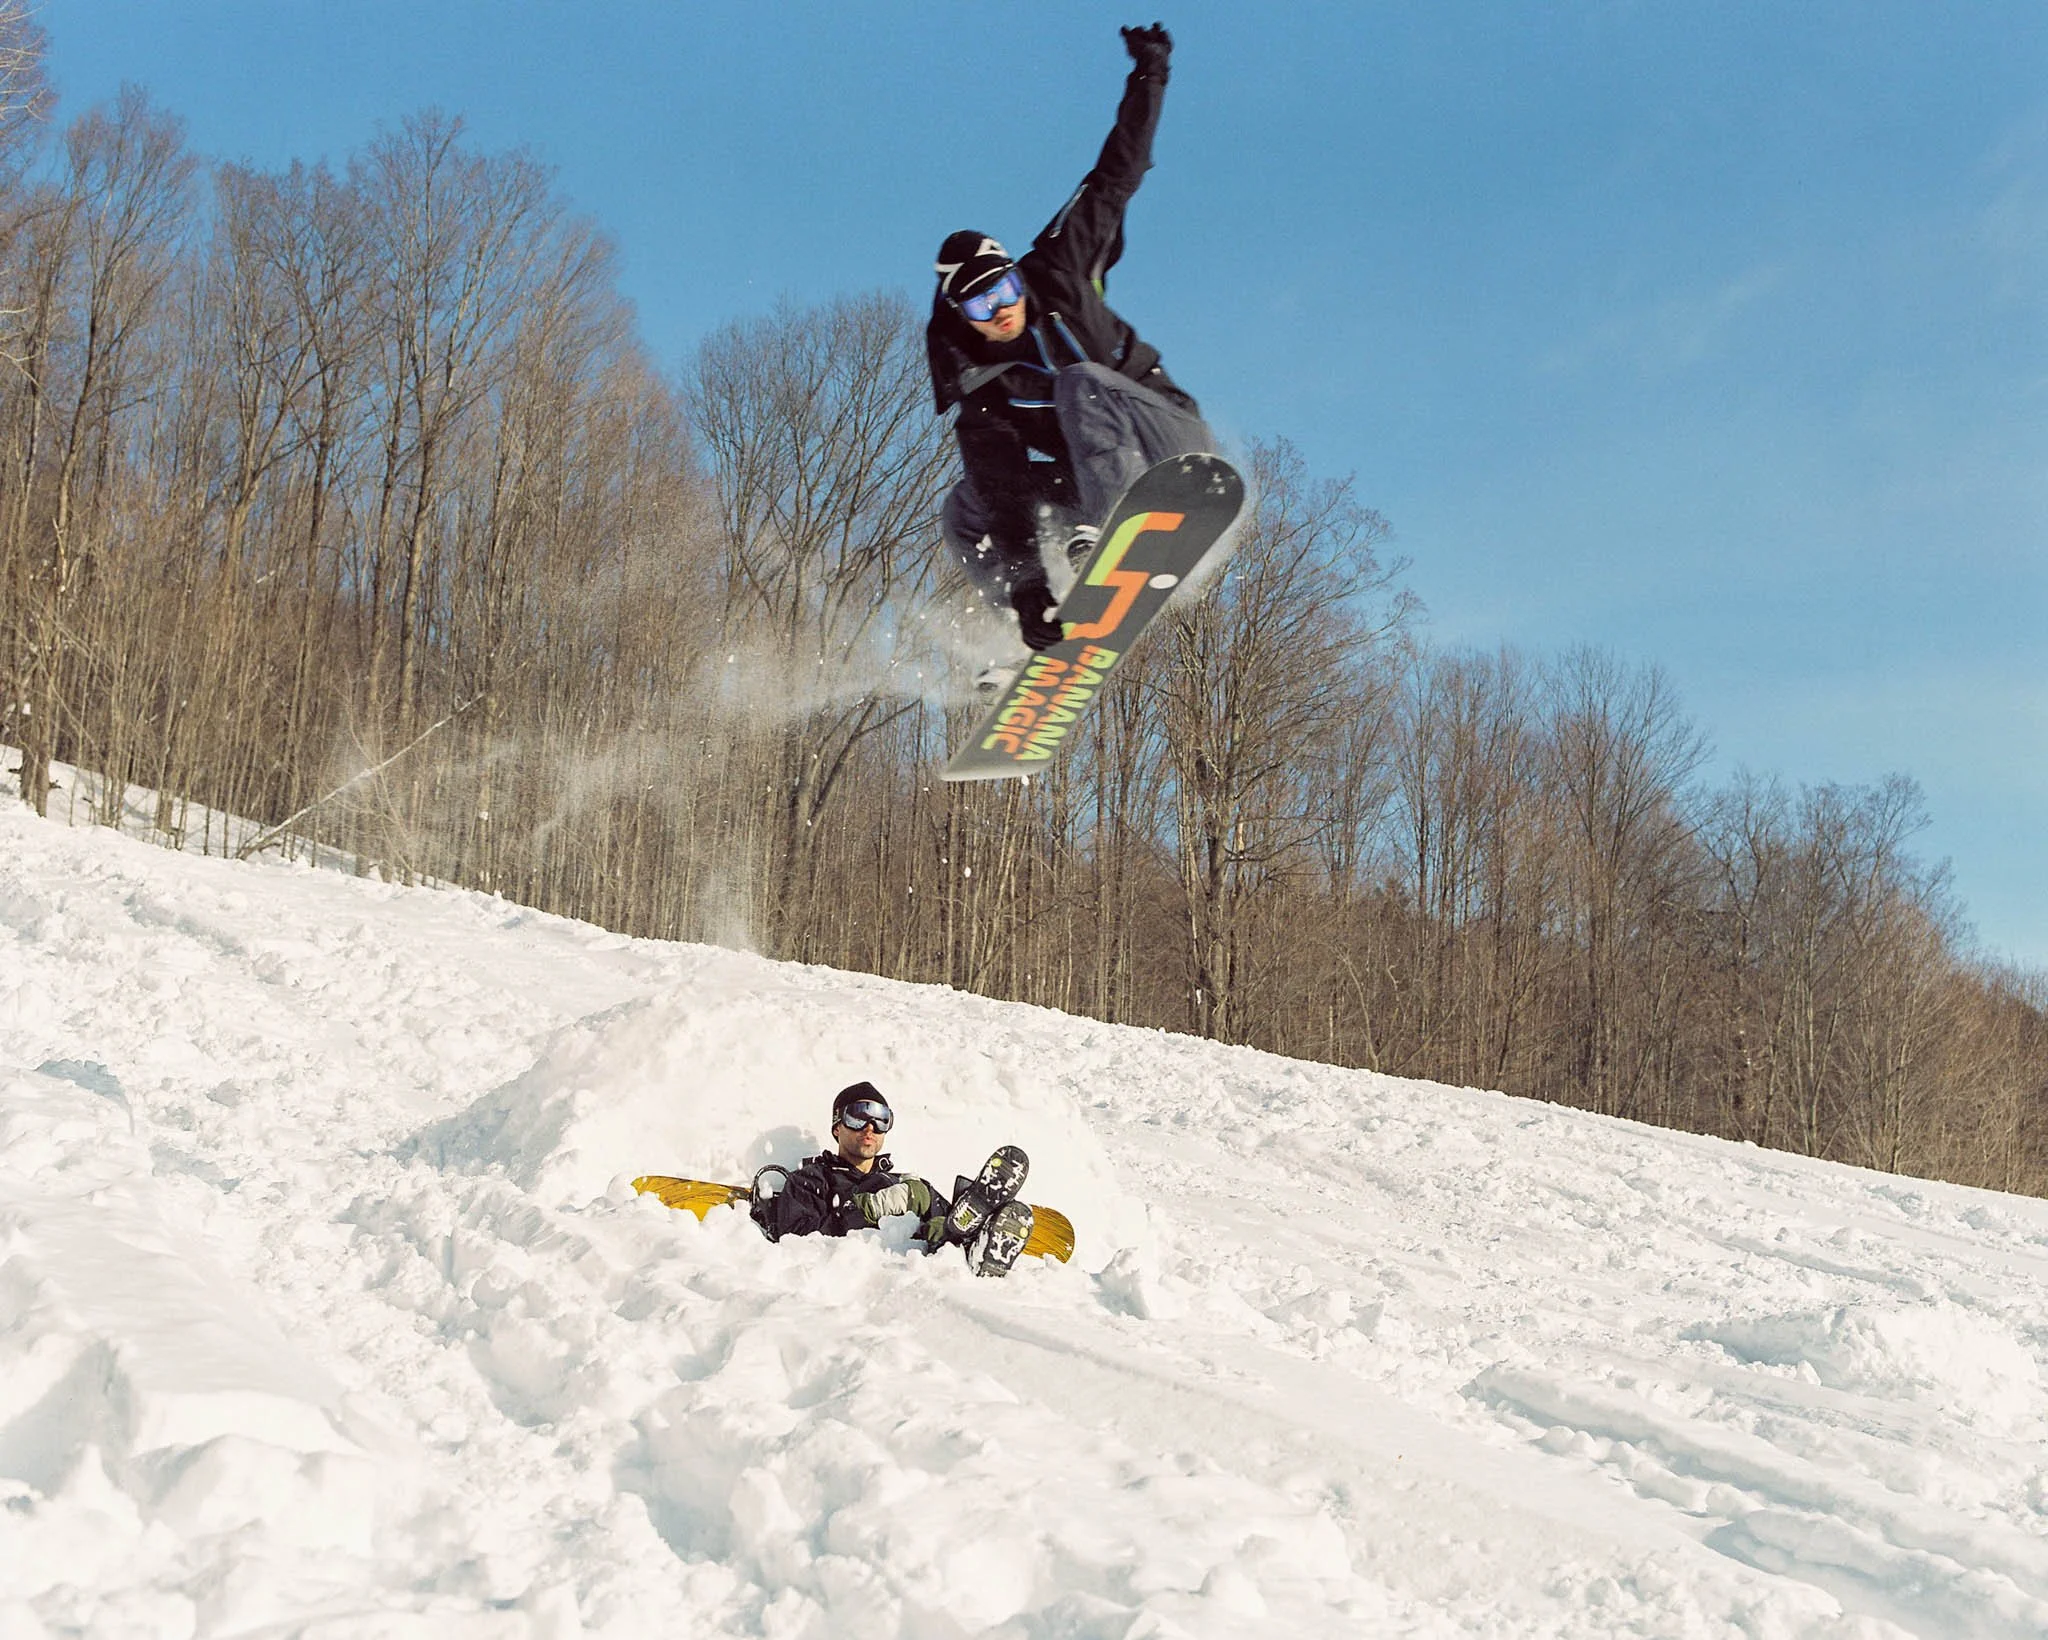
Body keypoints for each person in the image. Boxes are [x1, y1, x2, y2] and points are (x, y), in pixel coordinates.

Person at [927, 22, 1217, 659]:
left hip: (1164, 443)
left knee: (1079, 384)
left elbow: (1118, 173)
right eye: (979, 303)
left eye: (1003, 289)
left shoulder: (1061, 265)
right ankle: (1021, 634)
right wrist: (1029, 590)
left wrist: (1150, 72)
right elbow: (1005, 500)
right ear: (959, 313)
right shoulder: (980, 386)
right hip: (1084, 484)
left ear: (1016, 276)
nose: (1001, 310)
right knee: (966, 508)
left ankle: (1114, 527)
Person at [752, 1081, 951, 1247]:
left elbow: (965, 1227)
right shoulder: (810, 1181)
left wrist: (939, 1234)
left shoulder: (906, 1188)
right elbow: (797, 1244)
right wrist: (866, 1211)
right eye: (858, 1118)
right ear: (837, 1127)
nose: (870, 1128)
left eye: (880, 1120)